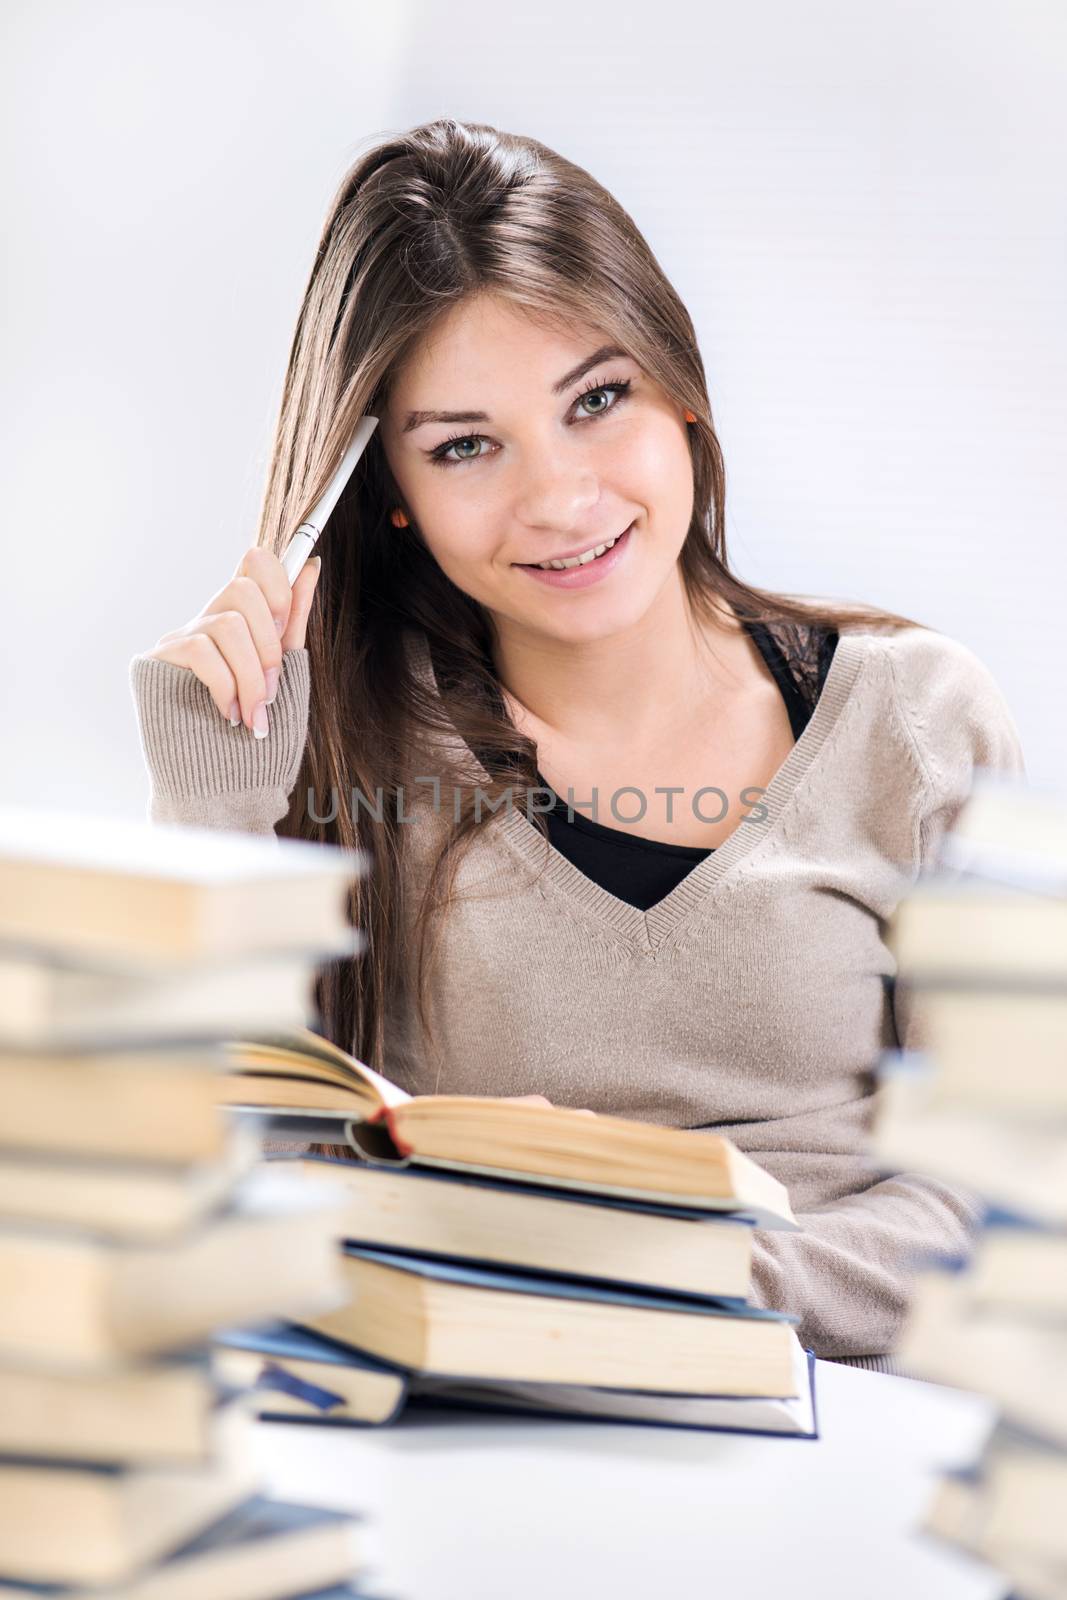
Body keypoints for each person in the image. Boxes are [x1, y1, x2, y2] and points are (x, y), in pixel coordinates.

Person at [129, 118, 1026, 1369]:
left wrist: (653, 1251)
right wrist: (212, 798)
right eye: (464, 446)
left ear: (680, 391)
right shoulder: (337, 735)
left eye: (596, 400)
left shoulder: (915, 721)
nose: (558, 498)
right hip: (475, 1439)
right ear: (390, 488)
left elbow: (1000, 1205)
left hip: (837, 1433)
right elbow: (230, 1195)